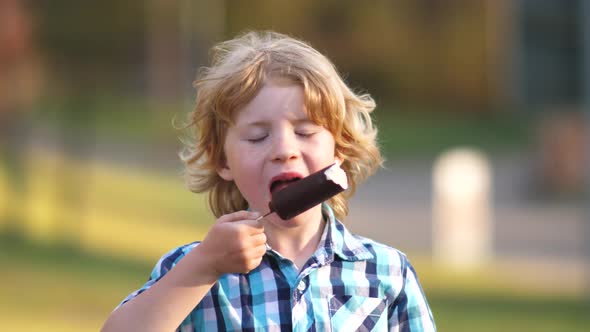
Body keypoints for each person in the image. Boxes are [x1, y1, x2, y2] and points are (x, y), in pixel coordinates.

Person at [102, 31, 436, 331]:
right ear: (222, 160)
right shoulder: (193, 268)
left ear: (340, 149)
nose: (284, 150)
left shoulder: (386, 272)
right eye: (258, 137)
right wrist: (203, 267)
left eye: (305, 132)